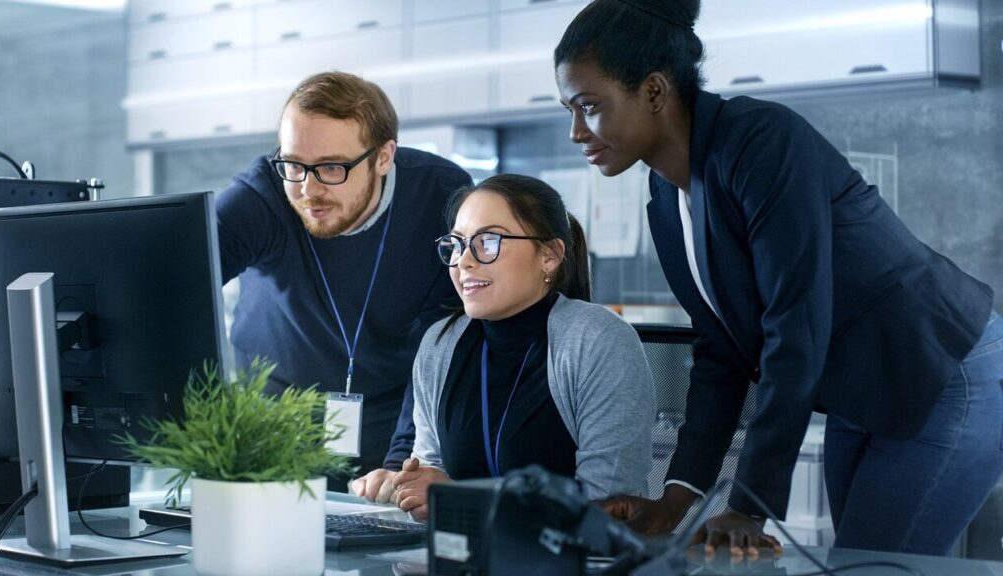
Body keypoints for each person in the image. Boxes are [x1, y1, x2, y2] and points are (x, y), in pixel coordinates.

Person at [554, 0, 1003, 558]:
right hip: (858, 390)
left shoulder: (762, 143)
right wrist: (676, 500)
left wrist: (749, 504)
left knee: (874, 566)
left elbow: (795, 326)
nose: (576, 131)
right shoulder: (666, 199)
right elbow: (720, 352)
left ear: (652, 92)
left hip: (941, 370)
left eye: (588, 107)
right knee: (858, 563)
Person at [216, 71, 472, 490]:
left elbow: (440, 342)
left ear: (384, 156)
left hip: (388, 429)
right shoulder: (261, 195)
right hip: (272, 432)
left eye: (332, 167)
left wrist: (404, 459)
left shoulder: (440, 196)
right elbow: (177, 283)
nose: (307, 189)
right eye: (294, 164)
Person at [389, 174, 655, 522]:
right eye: (457, 244)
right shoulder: (440, 344)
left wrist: (460, 499)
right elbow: (429, 478)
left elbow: (608, 504)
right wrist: (415, 490)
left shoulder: (598, 340)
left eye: (488, 242)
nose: (465, 262)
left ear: (549, 255)